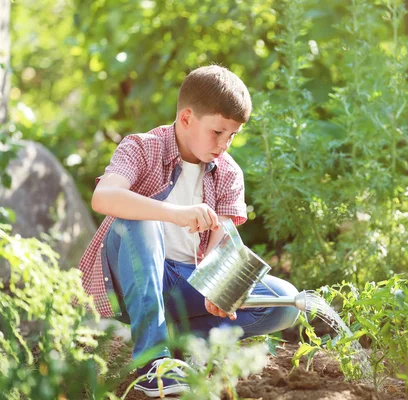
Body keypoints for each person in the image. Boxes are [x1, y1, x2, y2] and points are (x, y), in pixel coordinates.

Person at [78, 65, 300, 398]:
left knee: (285, 302)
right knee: (141, 221)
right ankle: (153, 362)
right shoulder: (142, 147)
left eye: (233, 136)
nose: (224, 144)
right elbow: (103, 197)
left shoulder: (227, 173)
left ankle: (186, 340)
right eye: (217, 132)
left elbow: (220, 237)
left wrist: (216, 284)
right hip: (132, 277)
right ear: (186, 119)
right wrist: (176, 214)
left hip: (185, 282)